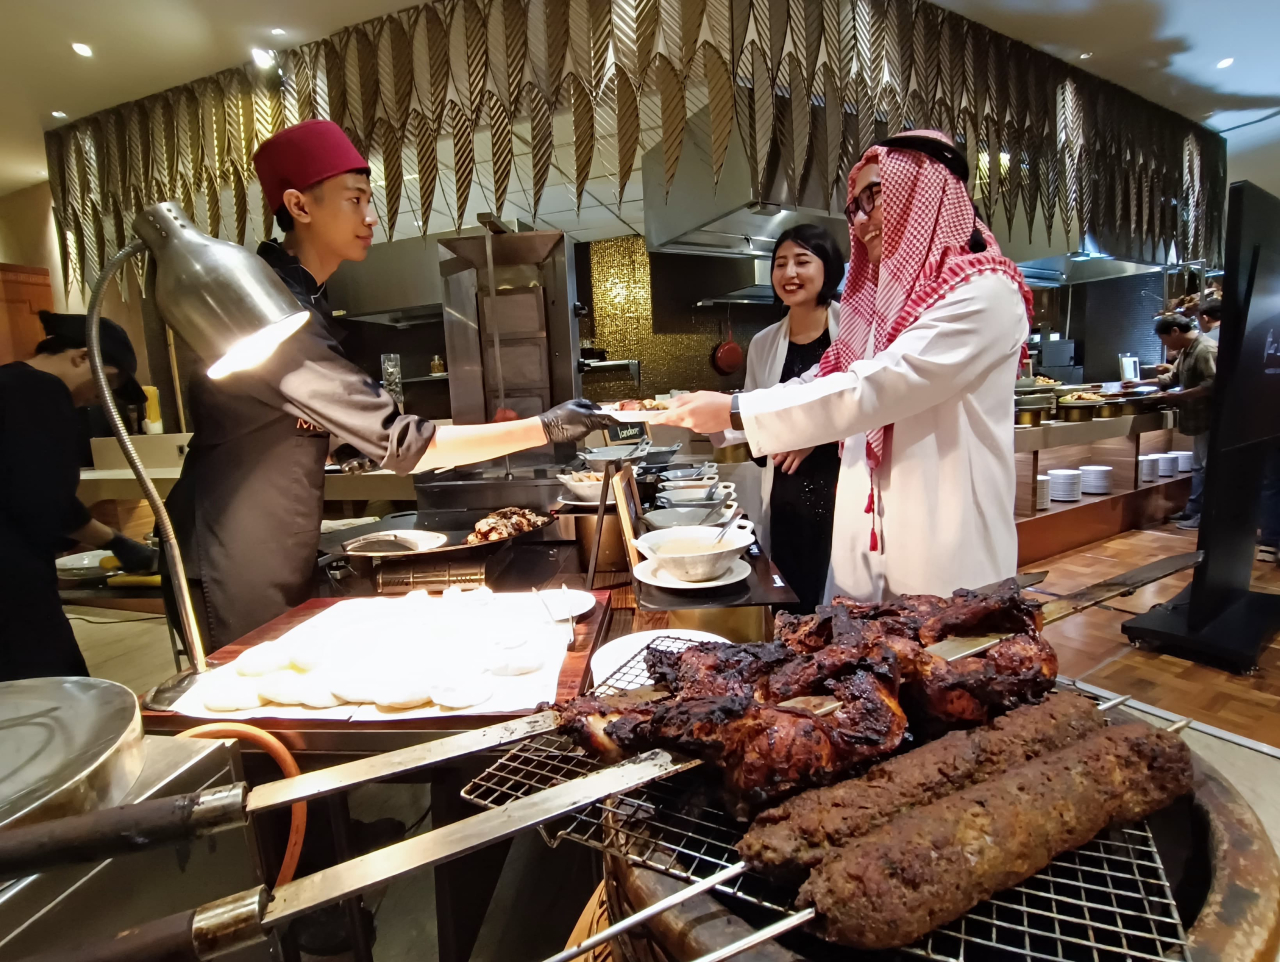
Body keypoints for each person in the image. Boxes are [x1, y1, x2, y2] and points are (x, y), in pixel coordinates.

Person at [165, 120, 614, 652]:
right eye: (354, 200)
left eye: (369, 200)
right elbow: (402, 445)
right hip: (232, 553)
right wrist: (547, 427)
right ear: (299, 206)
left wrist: (462, 437)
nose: (371, 217)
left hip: (271, 541)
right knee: (256, 693)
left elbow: (334, 430)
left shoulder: (304, 301)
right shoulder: (266, 310)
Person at [657, 130, 1033, 602]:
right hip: (861, 543)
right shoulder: (881, 312)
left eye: (876, 196)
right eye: (856, 206)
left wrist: (735, 411)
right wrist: (727, 411)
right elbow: (828, 378)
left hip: (943, 545)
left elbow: (877, 386)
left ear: (927, 191)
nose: (861, 218)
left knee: (940, 644)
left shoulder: (985, 293)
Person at [0, 312, 158, 682]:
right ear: (82, 357)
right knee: (50, 686)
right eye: (110, 381)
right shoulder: (40, 390)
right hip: (11, 579)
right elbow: (44, 499)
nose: (102, 398)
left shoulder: (7, 382)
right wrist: (117, 542)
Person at [726, 225, 843, 611]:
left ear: (827, 268)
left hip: (839, 487)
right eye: (780, 263)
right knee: (788, 598)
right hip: (785, 495)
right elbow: (755, 420)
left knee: (839, 600)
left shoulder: (854, 329)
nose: (789, 273)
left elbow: (871, 405)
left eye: (802, 261)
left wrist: (812, 434)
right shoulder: (763, 343)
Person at [1125, 314, 1217, 530]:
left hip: (1209, 417)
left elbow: (1213, 384)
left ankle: (1204, 517)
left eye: (1163, 339)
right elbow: (1172, 378)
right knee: (1199, 467)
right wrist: (1138, 383)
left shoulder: (1206, 349)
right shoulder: (1187, 349)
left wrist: (1179, 396)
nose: (1165, 344)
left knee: (1208, 469)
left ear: (1175, 331)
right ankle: (1192, 511)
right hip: (1197, 418)